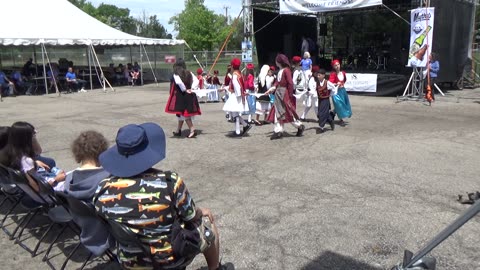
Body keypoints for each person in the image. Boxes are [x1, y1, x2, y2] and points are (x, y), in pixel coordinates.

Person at [94, 123, 227, 270]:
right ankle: (215, 268)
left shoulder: (103, 189)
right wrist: (201, 211)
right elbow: (191, 216)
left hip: (130, 262)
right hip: (169, 260)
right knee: (207, 222)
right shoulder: (169, 182)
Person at [63, 130, 114, 256]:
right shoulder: (106, 179)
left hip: (86, 227)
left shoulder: (70, 179)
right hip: (108, 233)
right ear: (102, 151)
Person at [6, 122, 66, 192]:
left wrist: (35, 162)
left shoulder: (14, 153)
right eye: (33, 135)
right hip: (48, 194)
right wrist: (56, 179)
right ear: (27, 139)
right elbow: (37, 190)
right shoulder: (27, 161)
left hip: (42, 187)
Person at [264, 54, 305, 140]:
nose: (275, 62)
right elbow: (277, 82)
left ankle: (299, 126)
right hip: (278, 93)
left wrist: (289, 95)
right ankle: (278, 130)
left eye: (276, 60)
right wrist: (271, 89)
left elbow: (290, 83)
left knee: (287, 112)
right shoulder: (280, 71)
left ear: (279, 62)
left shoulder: (286, 70)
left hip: (283, 93)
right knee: (277, 111)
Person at [165, 59, 201, 138]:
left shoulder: (176, 74)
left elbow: (179, 83)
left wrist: (184, 89)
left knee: (185, 114)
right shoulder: (189, 72)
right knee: (180, 114)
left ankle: (192, 129)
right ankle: (178, 130)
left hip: (181, 96)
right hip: (189, 95)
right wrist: (192, 88)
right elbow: (197, 81)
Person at [222, 58, 252, 137]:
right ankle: (245, 125)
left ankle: (238, 131)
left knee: (234, 113)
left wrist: (238, 94)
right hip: (238, 95)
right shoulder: (239, 73)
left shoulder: (235, 75)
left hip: (236, 96)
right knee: (234, 113)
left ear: (232, 66)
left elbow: (237, 86)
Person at [329, 59, 352, 126]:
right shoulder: (333, 74)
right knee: (339, 105)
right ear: (333, 67)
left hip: (343, 91)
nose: (337, 66)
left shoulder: (343, 73)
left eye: (338, 64)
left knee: (344, 103)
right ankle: (340, 119)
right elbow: (330, 83)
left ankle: (332, 113)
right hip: (336, 92)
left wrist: (341, 85)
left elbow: (344, 80)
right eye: (335, 65)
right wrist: (336, 84)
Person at [314, 68, 336, 133]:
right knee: (324, 113)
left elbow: (334, 88)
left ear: (323, 75)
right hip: (320, 100)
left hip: (325, 100)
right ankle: (330, 120)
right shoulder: (317, 83)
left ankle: (321, 128)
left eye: (319, 75)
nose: (318, 76)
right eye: (317, 75)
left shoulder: (327, 82)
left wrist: (330, 94)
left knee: (321, 113)